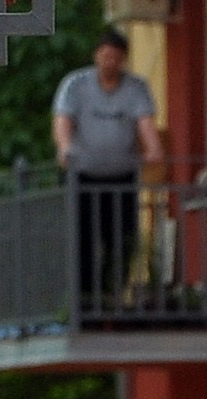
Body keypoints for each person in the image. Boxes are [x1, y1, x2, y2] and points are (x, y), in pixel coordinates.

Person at [52, 28, 160, 310]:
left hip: (122, 177)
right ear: (96, 56)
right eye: (104, 55)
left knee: (122, 238)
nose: (109, 62)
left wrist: (152, 149)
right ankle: (85, 300)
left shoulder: (135, 88)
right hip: (84, 176)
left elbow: (144, 121)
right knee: (84, 238)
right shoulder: (76, 85)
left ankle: (114, 295)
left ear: (123, 59)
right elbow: (63, 119)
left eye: (115, 57)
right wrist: (64, 148)